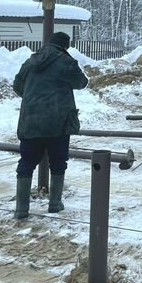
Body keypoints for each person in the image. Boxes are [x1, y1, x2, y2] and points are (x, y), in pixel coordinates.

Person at [12, 31, 88, 219]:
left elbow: (17, 86)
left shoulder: (31, 61)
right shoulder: (66, 62)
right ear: (65, 46)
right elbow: (81, 83)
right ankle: (54, 203)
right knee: (58, 162)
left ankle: (21, 208)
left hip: (30, 122)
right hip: (58, 122)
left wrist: (34, 99)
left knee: (26, 163)